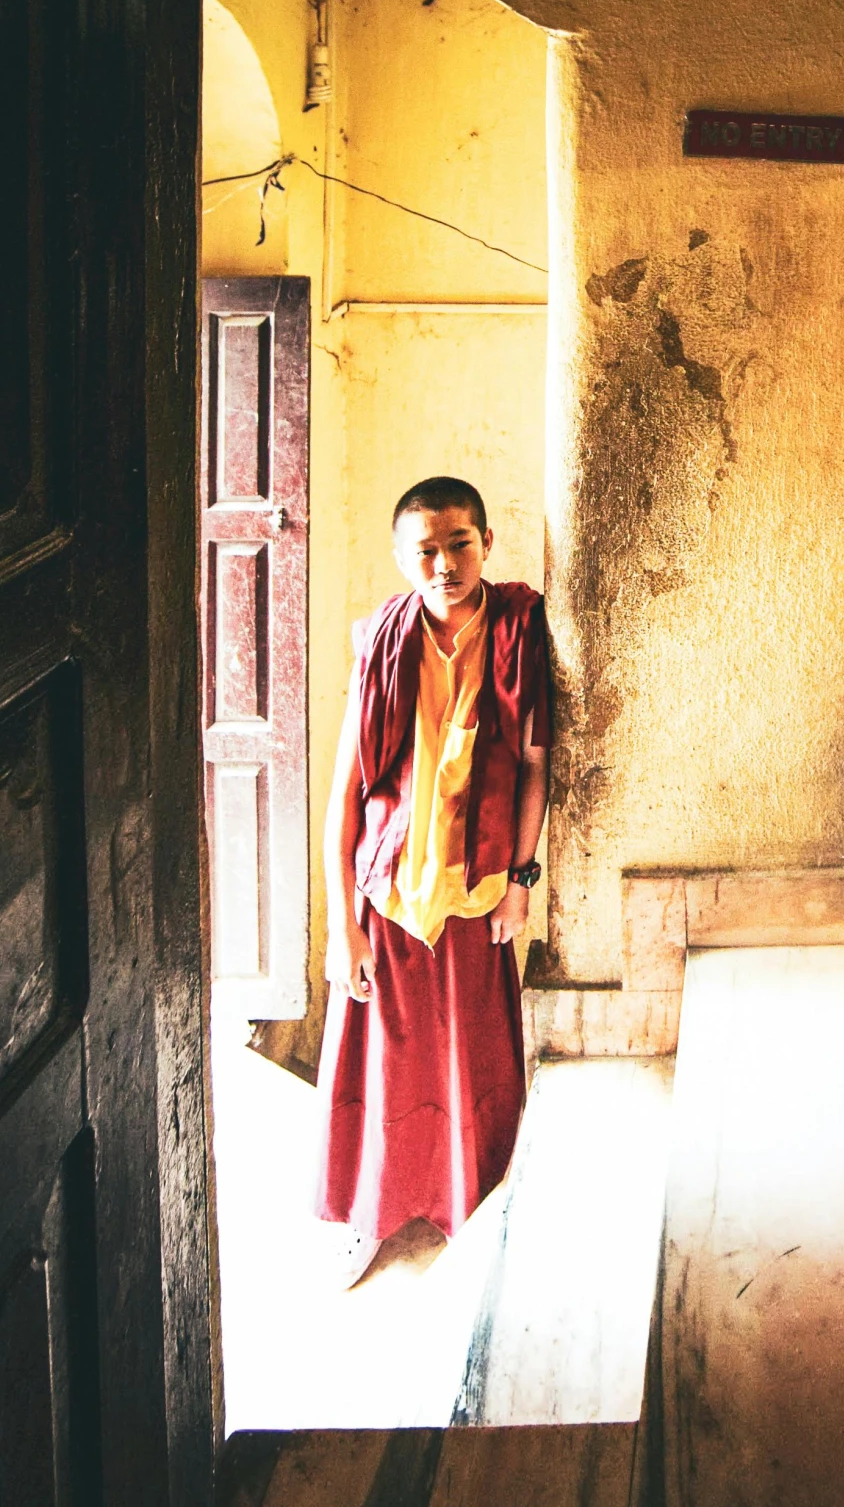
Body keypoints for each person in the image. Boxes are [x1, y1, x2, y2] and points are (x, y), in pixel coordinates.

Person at [314, 475, 552, 1287]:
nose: (444, 564)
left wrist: (521, 880)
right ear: (400, 558)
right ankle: (371, 1218)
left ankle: (474, 1215)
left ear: (487, 542)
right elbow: (348, 792)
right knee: (380, 1062)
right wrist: (339, 927)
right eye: (426, 550)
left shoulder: (517, 628)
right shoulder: (383, 642)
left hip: (475, 886)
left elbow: (532, 767)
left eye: (459, 544)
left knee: (472, 1061)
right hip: (388, 892)